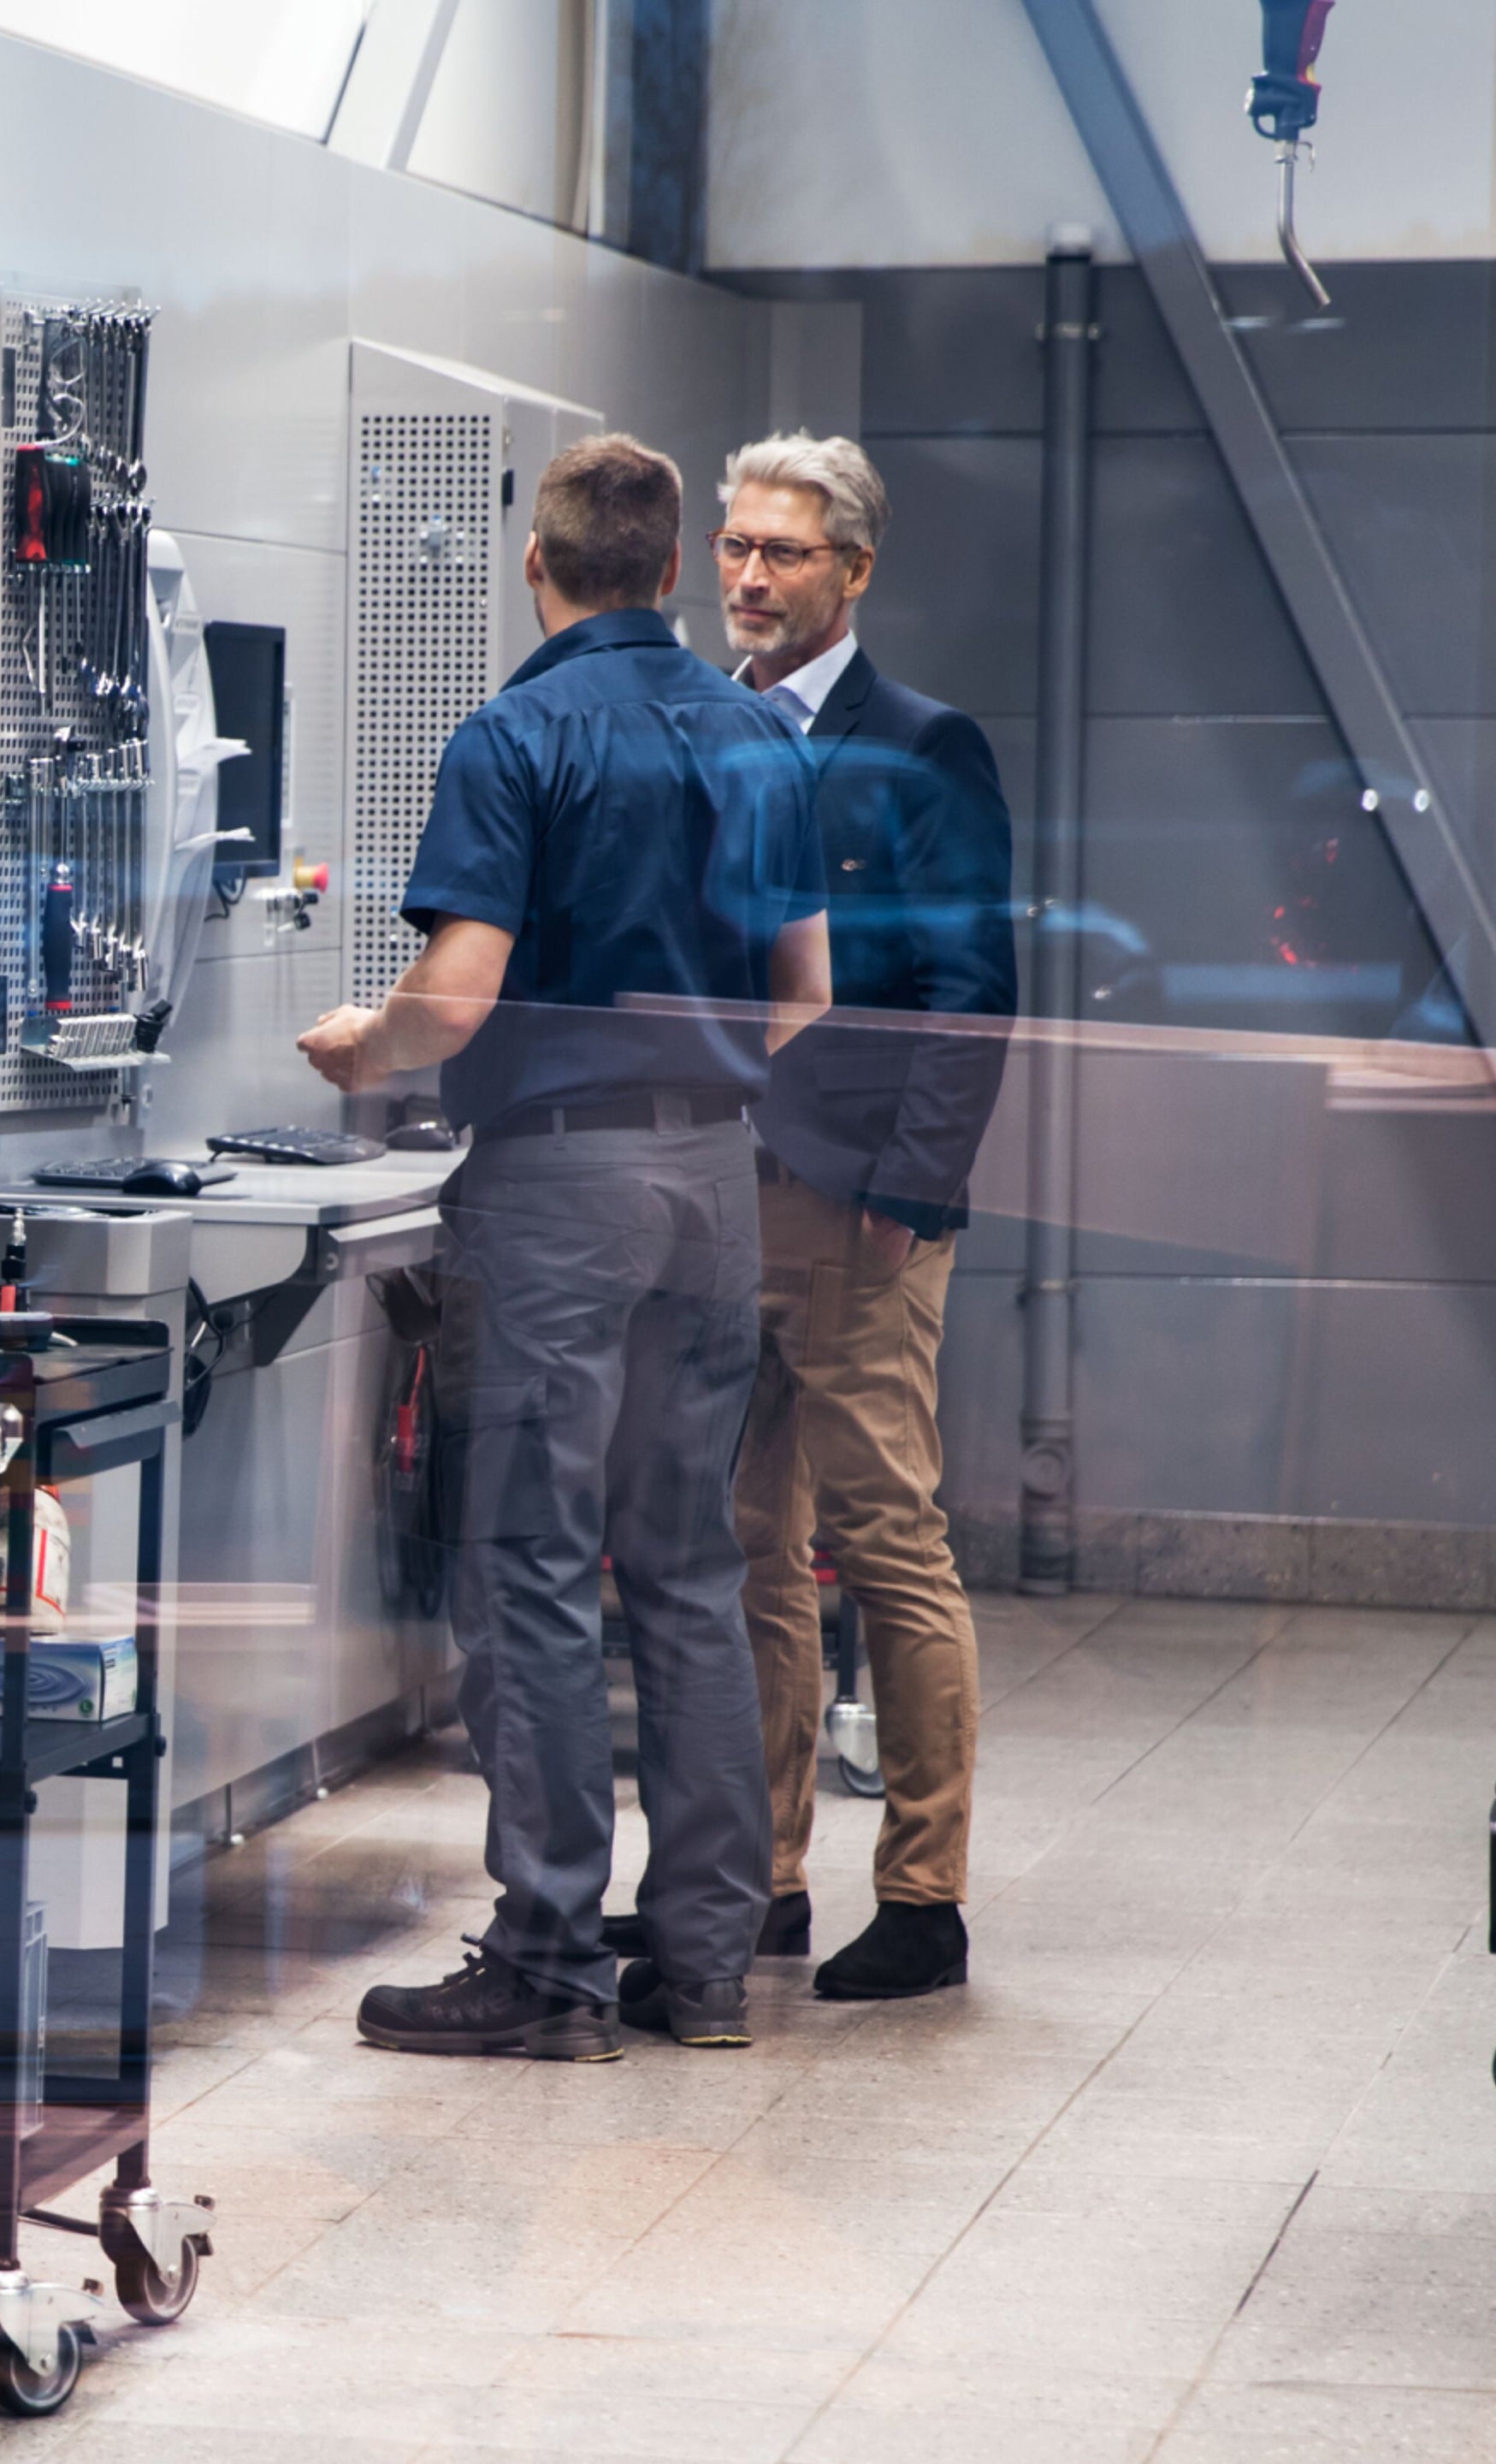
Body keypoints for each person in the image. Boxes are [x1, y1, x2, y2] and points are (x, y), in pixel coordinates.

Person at [299, 434, 831, 2058]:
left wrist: (361, 1046)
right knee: (687, 1570)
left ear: (539, 566)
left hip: (559, 1195)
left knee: (531, 1569)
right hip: (714, 1188)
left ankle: (545, 1965)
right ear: (673, 570)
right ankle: (706, 1965)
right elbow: (803, 996)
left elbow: (456, 996)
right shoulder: (762, 732)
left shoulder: (516, 734)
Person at [601, 432, 1014, 2000]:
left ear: (853, 569)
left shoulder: (925, 747)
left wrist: (911, 1193)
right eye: (735, 549)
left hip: (858, 1212)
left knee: (887, 1543)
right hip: (710, 1197)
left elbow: (975, 991)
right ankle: (757, 1875)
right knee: (736, 1547)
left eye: (785, 553)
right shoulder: (695, 728)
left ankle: (923, 1896)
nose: (752, 578)